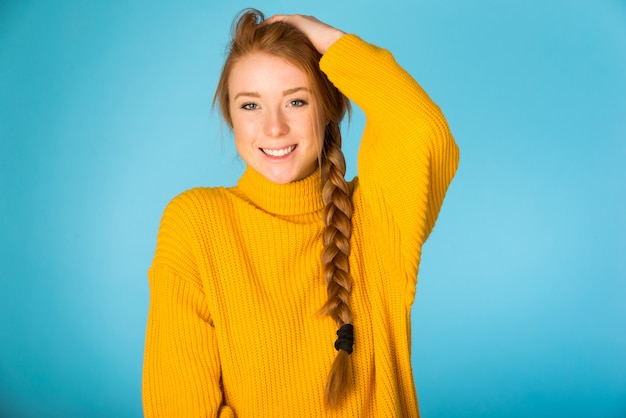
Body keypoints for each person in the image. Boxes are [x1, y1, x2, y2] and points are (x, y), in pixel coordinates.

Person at [142, 8, 459, 417]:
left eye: (295, 100)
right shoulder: (195, 224)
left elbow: (422, 129)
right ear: (231, 117)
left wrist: (325, 37)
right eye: (250, 106)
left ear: (327, 109)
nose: (274, 128)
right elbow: (179, 407)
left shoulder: (376, 215)